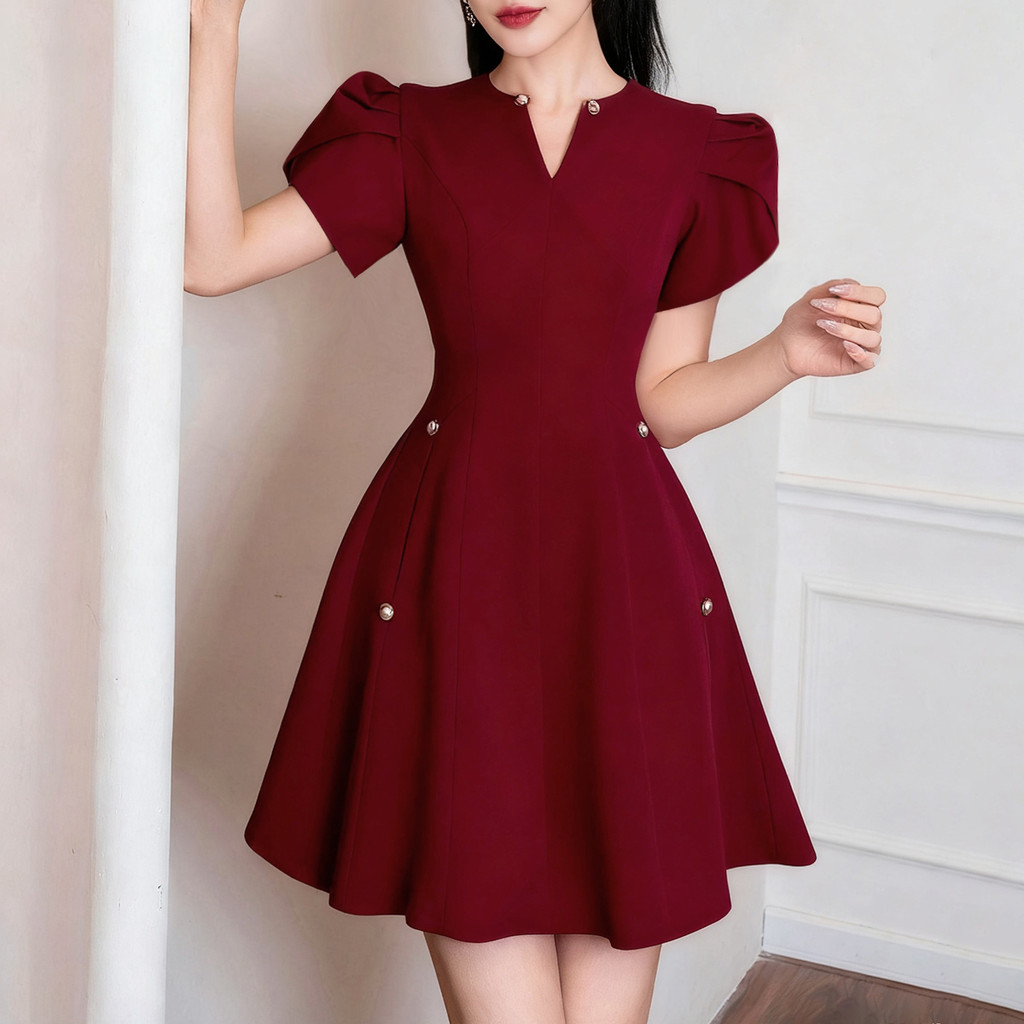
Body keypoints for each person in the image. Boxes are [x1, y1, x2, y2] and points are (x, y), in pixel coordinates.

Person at [184, 0, 885, 1021]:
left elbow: (661, 403)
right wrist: (212, 32)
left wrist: (783, 354)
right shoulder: (411, 131)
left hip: (622, 584)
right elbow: (209, 260)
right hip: (457, 574)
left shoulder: (697, 152)